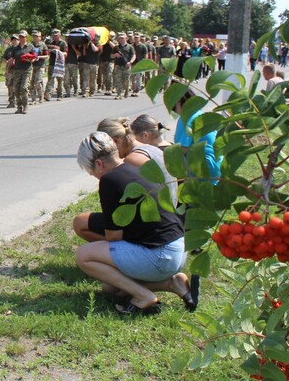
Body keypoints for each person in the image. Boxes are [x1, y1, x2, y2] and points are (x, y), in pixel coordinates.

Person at [72, 132, 198, 316]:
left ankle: (143, 296)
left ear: (99, 164)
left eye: (90, 171)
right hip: (178, 249)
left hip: (160, 256)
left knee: (84, 255)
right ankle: (173, 283)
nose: (93, 175)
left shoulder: (108, 180)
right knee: (111, 286)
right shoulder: (135, 168)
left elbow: (113, 236)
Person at [173, 90, 221, 183]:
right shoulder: (198, 113)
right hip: (216, 164)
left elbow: (181, 149)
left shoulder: (186, 118)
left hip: (203, 168)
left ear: (178, 102)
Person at [10, 30, 34, 114]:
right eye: (20, 37)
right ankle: (19, 107)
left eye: (23, 37)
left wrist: (29, 59)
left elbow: (34, 57)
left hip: (27, 70)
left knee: (23, 88)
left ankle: (25, 106)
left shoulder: (30, 46)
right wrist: (7, 69)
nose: (21, 38)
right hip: (17, 70)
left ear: (26, 37)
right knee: (16, 89)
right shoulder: (15, 48)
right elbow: (12, 59)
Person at [44, 29, 67, 101]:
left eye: (56, 35)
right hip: (52, 63)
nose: (55, 36)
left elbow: (65, 53)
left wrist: (59, 52)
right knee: (50, 80)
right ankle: (47, 95)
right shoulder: (51, 43)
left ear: (60, 35)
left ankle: (60, 95)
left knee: (60, 80)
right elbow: (47, 52)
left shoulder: (63, 43)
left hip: (60, 64)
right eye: (53, 35)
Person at [111, 32, 134, 99]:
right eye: (120, 38)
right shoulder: (116, 47)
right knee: (118, 80)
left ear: (126, 38)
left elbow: (133, 55)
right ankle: (119, 94)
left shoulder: (130, 47)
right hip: (118, 65)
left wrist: (130, 62)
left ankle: (126, 91)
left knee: (126, 80)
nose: (121, 39)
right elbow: (111, 56)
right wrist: (115, 55)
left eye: (122, 38)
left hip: (126, 65)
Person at [29, 30, 48, 104]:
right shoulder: (30, 45)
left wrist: (39, 57)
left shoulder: (43, 45)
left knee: (37, 81)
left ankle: (41, 97)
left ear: (40, 37)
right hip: (32, 66)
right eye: (33, 36)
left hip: (40, 66)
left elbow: (47, 56)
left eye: (36, 36)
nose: (35, 38)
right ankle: (33, 99)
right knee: (31, 83)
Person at [2, 34, 19, 108]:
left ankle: (20, 102)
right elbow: (3, 58)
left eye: (16, 39)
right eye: (13, 40)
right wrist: (6, 61)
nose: (14, 41)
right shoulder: (9, 50)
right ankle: (11, 102)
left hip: (19, 70)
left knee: (18, 86)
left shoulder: (21, 49)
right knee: (10, 86)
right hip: (10, 70)